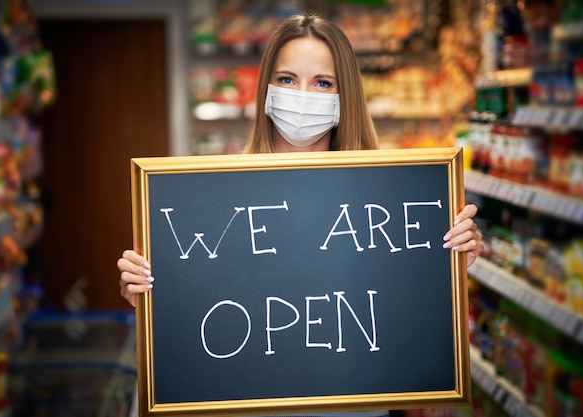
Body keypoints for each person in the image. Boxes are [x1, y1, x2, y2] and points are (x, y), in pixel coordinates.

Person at [118, 13, 484, 417]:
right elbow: (192, 346)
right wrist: (155, 301)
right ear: (266, 90)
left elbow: (407, 337)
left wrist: (444, 271)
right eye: (287, 80)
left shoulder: (386, 204)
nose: (303, 95)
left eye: (323, 83)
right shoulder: (213, 200)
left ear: (345, 96)